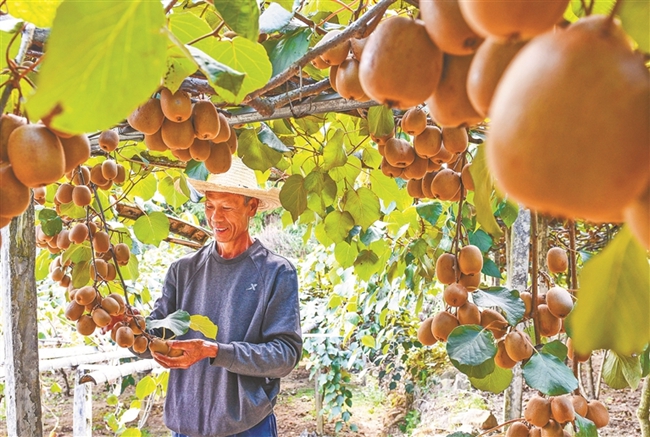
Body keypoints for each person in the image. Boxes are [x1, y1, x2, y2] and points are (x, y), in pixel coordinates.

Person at [144, 158, 302, 437]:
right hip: (187, 424)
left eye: (226, 207)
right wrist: (129, 328)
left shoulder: (276, 272)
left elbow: (285, 356)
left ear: (251, 206)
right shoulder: (183, 270)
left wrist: (215, 351)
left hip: (247, 425)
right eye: (209, 206)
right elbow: (154, 337)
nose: (216, 217)